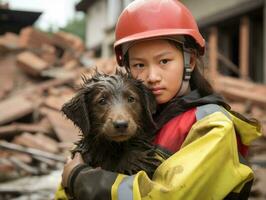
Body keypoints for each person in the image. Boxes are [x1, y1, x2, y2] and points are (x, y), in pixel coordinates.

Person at [55, 0, 261, 199]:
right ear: (127, 69)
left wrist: (81, 179)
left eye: (164, 61)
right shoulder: (144, 120)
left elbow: (170, 195)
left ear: (189, 60)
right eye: (139, 65)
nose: (152, 77)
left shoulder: (213, 125)